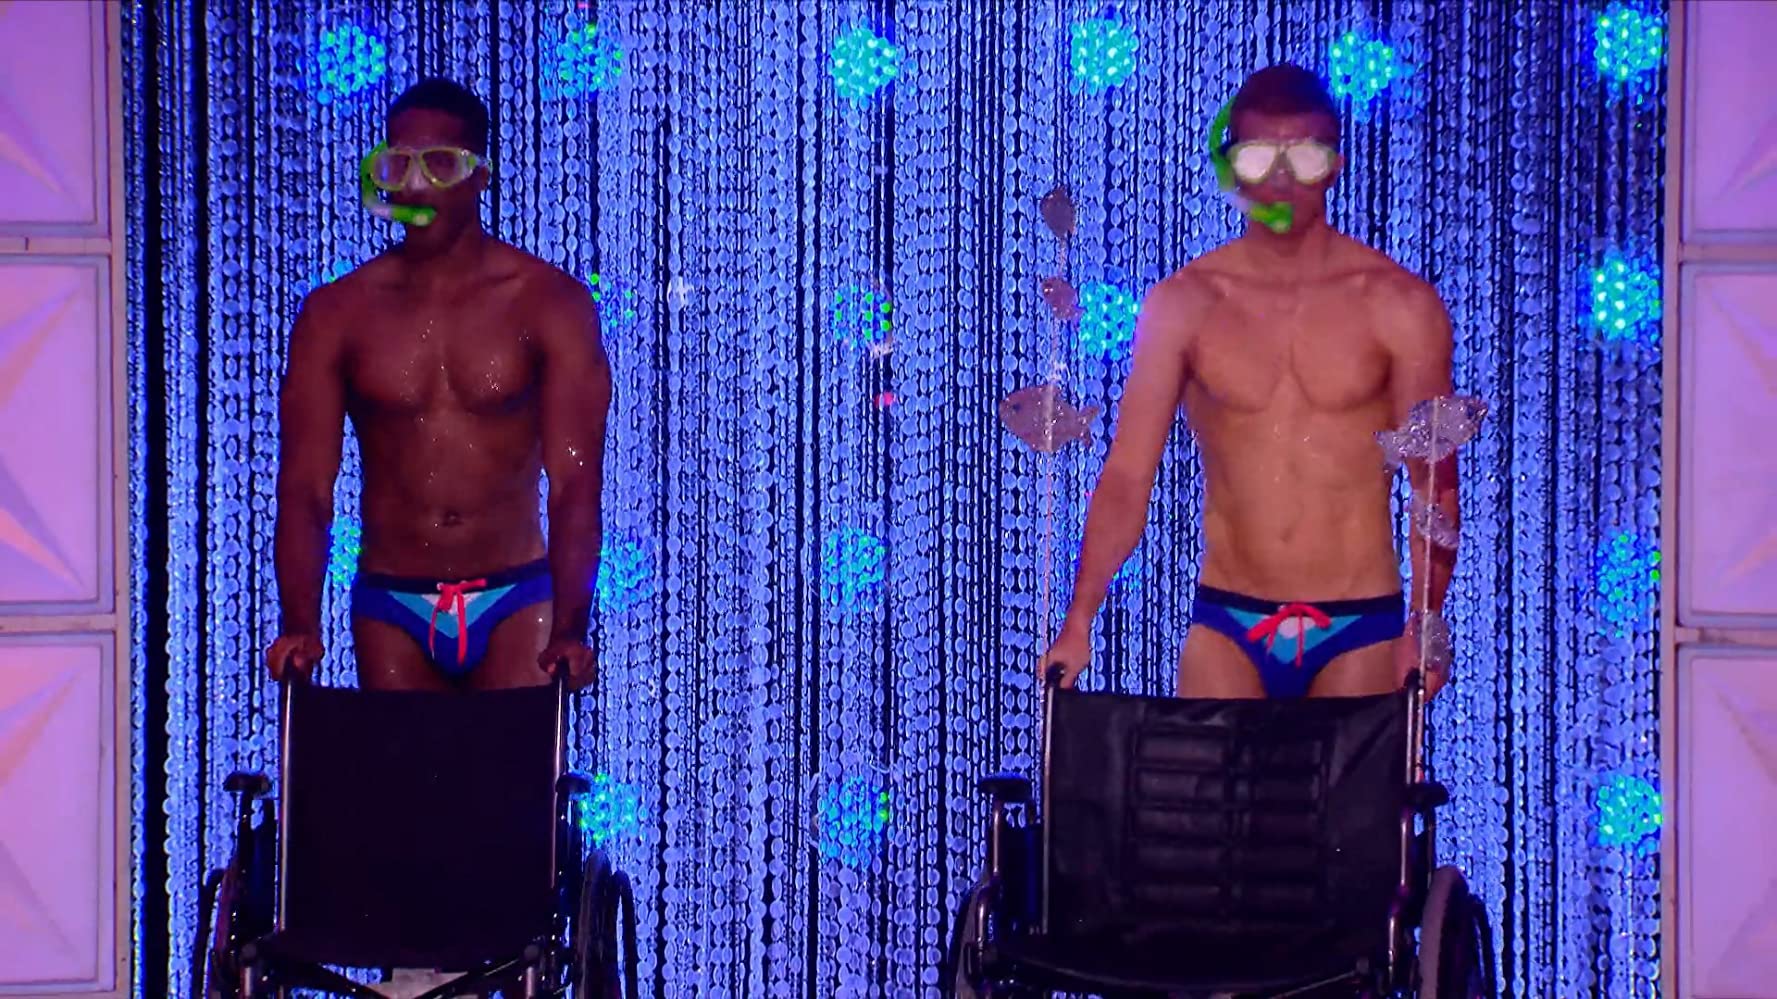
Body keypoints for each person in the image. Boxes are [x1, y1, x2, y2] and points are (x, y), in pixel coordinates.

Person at [1041, 63, 1460, 700]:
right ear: (1233, 168)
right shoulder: (1185, 304)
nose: (1282, 180)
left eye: (1305, 157)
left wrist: (1427, 624)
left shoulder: (1398, 305)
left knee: (1354, 772)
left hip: (1359, 620)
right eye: (1262, 157)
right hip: (1229, 619)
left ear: (1336, 165)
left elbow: (1433, 481)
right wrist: (1079, 621)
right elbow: (1127, 476)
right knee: (1202, 769)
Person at [266, 77, 611, 692]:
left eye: (441, 165)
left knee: (515, 758)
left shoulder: (547, 302)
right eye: (398, 164)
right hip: (392, 598)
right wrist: (300, 624)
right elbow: (305, 487)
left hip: (515, 593)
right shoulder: (337, 313)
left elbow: (574, 483)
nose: (417, 185)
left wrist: (570, 627)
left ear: (480, 178)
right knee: (400, 760)